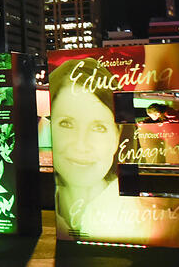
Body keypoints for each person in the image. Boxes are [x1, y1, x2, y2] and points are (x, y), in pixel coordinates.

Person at [49, 58, 127, 238]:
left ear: (117, 136)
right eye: (66, 124)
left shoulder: (147, 220)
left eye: (99, 127)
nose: (81, 145)